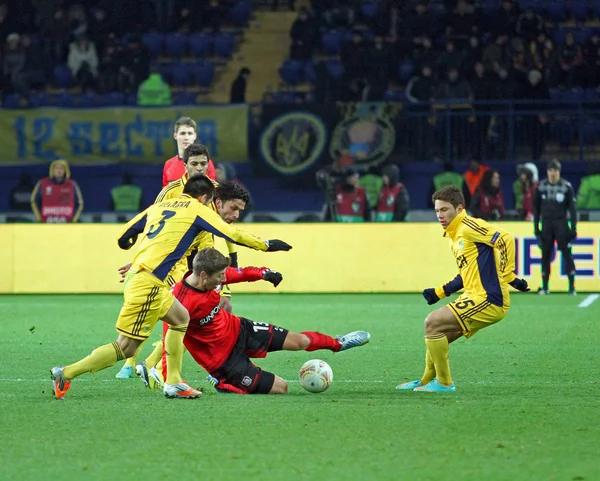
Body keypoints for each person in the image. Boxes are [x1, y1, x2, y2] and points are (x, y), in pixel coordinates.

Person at [50, 175, 292, 400]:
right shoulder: (197, 209)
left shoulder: (159, 207)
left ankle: (173, 381)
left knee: (180, 318)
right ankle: (66, 373)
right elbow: (231, 233)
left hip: (143, 277)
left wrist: (137, 247)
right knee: (125, 347)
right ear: (204, 198)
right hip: (149, 284)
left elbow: (124, 237)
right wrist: (267, 245)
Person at [113, 145, 237, 379]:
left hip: (203, 263)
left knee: (199, 312)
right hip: (172, 263)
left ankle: (151, 365)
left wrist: (230, 272)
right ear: (185, 165)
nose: (199, 168)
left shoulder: (217, 192)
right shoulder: (170, 191)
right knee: (173, 312)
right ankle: (133, 362)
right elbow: (152, 226)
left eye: (203, 164)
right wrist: (139, 261)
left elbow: (228, 230)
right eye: (194, 164)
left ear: (208, 165)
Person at [179, 247, 370, 394]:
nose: (223, 280)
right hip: (224, 361)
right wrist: (170, 377)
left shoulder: (214, 275)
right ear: (203, 275)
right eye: (220, 276)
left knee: (299, 341)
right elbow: (169, 342)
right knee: (282, 388)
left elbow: (242, 273)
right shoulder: (181, 303)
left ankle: (337, 343)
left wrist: (263, 273)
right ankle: (222, 382)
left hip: (240, 329)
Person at [396, 186, 529, 393]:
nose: (440, 215)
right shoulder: (454, 237)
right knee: (438, 334)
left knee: (432, 323)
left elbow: (505, 239)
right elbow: (465, 275)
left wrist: (509, 275)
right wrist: (439, 291)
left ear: (459, 209)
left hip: (489, 299)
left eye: (445, 210)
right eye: (437, 210)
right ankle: (425, 380)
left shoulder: (468, 226)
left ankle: (444, 383)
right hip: (474, 296)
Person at [132, 181, 252, 386]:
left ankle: (153, 365)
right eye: (233, 208)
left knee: (192, 318)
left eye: (204, 164)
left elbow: (225, 243)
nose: (236, 215)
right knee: (190, 318)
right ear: (218, 201)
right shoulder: (197, 211)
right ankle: (161, 369)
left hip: (188, 270)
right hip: (171, 270)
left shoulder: (211, 216)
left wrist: (225, 289)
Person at [533, 159, 578, 295]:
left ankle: (572, 287)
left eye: (555, 171)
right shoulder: (540, 187)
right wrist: (536, 228)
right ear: (547, 172)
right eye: (550, 170)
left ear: (559, 172)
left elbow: (572, 210)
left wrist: (573, 228)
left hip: (561, 223)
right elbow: (536, 210)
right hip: (546, 224)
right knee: (545, 255)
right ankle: (545, 286)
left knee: (567, 254)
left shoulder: (566, 187)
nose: (553, 173)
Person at [162, 117, 216, 187]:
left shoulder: (206, 163)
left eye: (190, 133)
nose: (186, 137)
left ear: (195, 136)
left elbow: (211, 192)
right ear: (175, 136)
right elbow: (165, 195)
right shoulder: (168, 165)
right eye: (182, 133)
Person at [31, 159, 84, 223]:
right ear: (52, 170)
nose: (59, 170)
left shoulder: (72, 184)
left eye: (61, 168)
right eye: (57, 168)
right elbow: (34, 201)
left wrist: (73, 220)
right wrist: (39, 219)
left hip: (67, 224)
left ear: (65, 171)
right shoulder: (43, 183)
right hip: (46, 223)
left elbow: (79, 203)